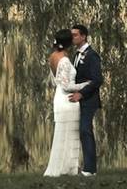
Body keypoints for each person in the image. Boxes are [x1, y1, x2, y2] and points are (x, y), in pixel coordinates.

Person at [44, 29, 90, 176]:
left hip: (59, 97)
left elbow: (55, 81)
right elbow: (66, 86)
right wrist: (85, 85)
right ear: (69, 43)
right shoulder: (63, 60)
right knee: (69, 134)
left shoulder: (52, 56)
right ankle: (67, 168)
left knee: (63, 134)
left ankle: (67, 168)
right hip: (67, 99)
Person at [69, 23, 103, 176]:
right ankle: (85, 167)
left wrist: (81, 94)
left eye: (75, 35)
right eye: (72, 35)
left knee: (85, 130)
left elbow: (97, 80)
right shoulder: (76, 54)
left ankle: (90, 169)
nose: (73, 37)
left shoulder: (92, 55)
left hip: (89, 100)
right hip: (79, 100)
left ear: (83, 36)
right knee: (82, 132)